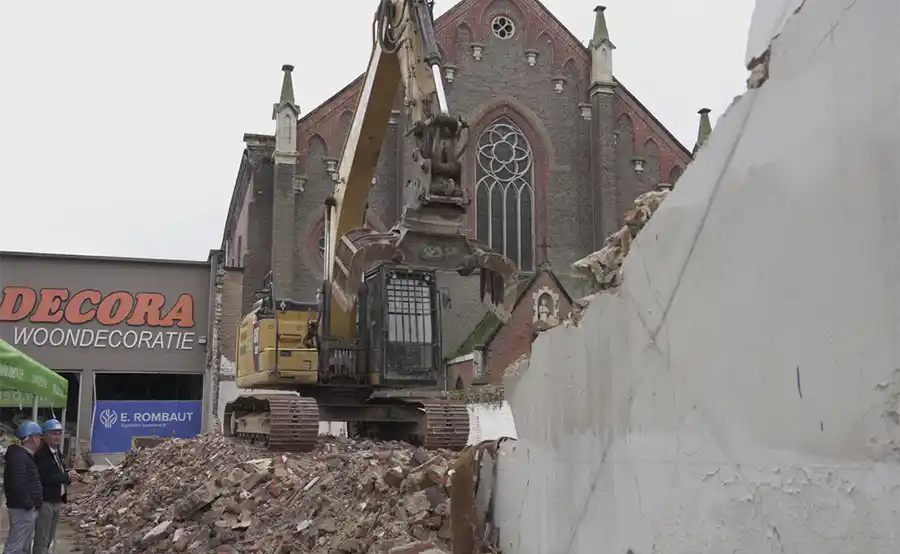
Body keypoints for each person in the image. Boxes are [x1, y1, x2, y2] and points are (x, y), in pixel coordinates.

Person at [33, 419, 77, 554]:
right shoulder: (42, 454)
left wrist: (69, 477)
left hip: (56, 500)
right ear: (45, 435)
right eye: (54, 434)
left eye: (59, 434)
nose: (57, 437)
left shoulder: (56, 453)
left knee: (49, 537)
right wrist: (66, 477)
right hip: (46, 501)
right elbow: (45, 477)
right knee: (42, 538)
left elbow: (58, 474)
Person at [2, 421, 43, 554]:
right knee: (14, 547)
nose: (39, 441)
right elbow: (17, 484)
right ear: (30, 438)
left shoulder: (23, 456)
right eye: (38, 437)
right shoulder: (19, 458)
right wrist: (29, 504)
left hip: (25, 508)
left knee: (23, 547)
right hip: (22, 508)